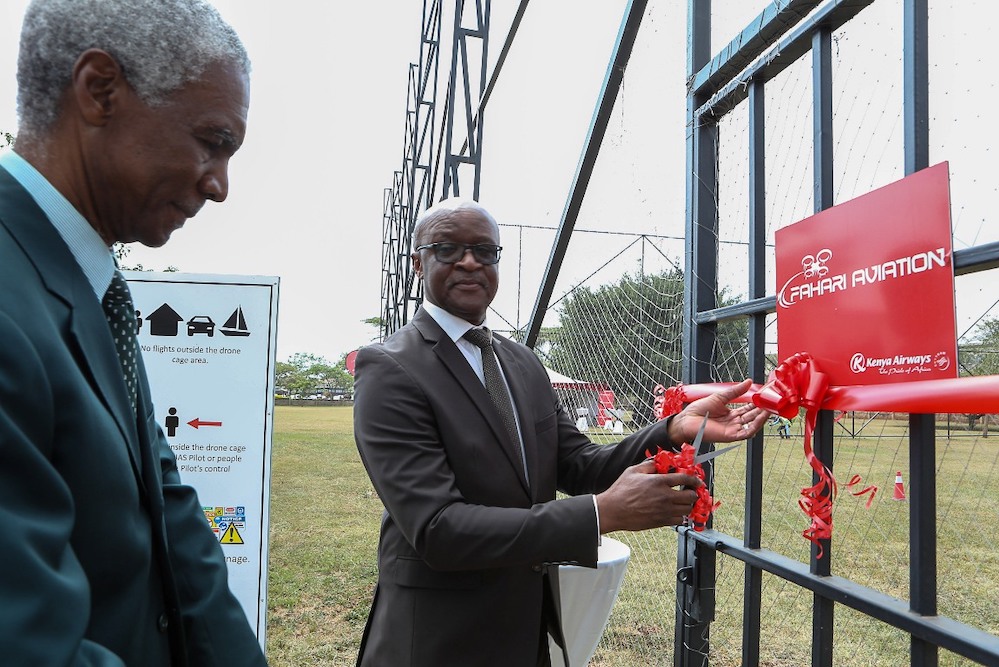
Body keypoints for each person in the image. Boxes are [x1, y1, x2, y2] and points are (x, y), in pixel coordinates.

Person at [353, 198, 769, 667]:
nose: (469, 261)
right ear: (418, 263)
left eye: (485, 251)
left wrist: (673, 428)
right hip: (437, 636)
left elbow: (580, 465)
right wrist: (599, 514)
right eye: (447, 248)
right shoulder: (390, 367)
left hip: (523, 625)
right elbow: (438, 529)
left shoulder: (521, 362)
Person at [0, 1, 267, 665]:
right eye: (212, 140)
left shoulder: (85, 286)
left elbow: (171, 517)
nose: (220, 184)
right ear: (99, 90)